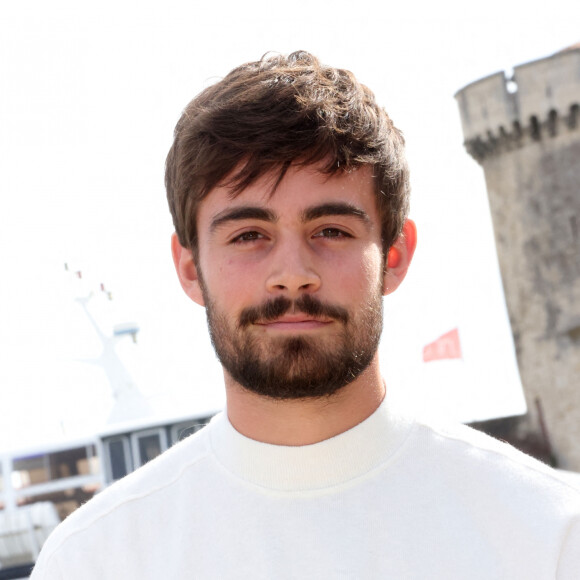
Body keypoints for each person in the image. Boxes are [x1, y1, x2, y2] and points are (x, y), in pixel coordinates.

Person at [32, 51, 579, 579]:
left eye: (331, 231)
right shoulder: (93, 562)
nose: (292, 273)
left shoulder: (551, 534)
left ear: (394, 256)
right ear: (190, 268)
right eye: (249, 235)